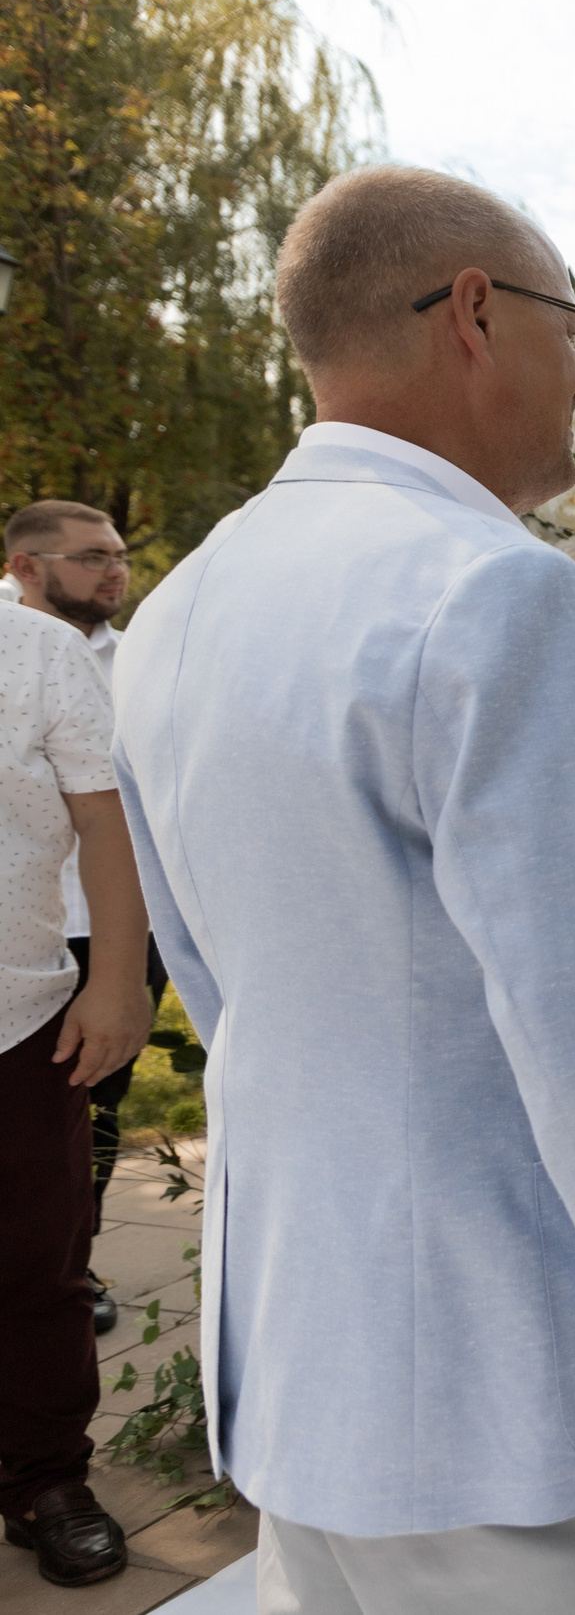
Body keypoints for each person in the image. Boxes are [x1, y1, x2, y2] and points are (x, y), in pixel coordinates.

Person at [112, 164, 575, 1615]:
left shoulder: (178, 608)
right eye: (574, 329)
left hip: (316, 1403)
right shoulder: (492, 593)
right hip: (531, 1426)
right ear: (472, 313)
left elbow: (222, 998)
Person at [0, 595, 155, 1588]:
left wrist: (117, 979)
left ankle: (45, 1479)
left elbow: (107, 822)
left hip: (16, 1022)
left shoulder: (39, 651)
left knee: (35, 1263)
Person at [4, 499, 164, 1337]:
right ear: (26, 566)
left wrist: (126, 965)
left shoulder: (145, 660)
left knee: (90, 1115)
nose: (114, 569)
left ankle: (77, 1255)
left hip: (113, 923)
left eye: (119, 553)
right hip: (28, 923)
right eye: (89, 556)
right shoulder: (19, 650)